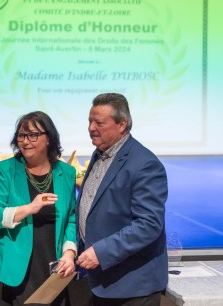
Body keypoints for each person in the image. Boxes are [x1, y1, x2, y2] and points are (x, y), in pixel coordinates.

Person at [76, 93, 168, 306]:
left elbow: (148, 225)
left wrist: (100, 252)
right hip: (104, 283)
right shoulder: (100, 153)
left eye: (99, 122)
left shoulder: (145, 164)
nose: (91, 127)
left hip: (132, 288)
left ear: (122, 124)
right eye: (89, 121)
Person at [0, 111, 77, 305]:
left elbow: (71, 218)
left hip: (50, 267)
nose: (25, 141)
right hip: (11, 269)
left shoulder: (66, 172)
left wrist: (69, 252)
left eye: (33, 135)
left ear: (48, 138)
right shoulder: (5, 170)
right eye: (21, 135)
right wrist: (29, 208)